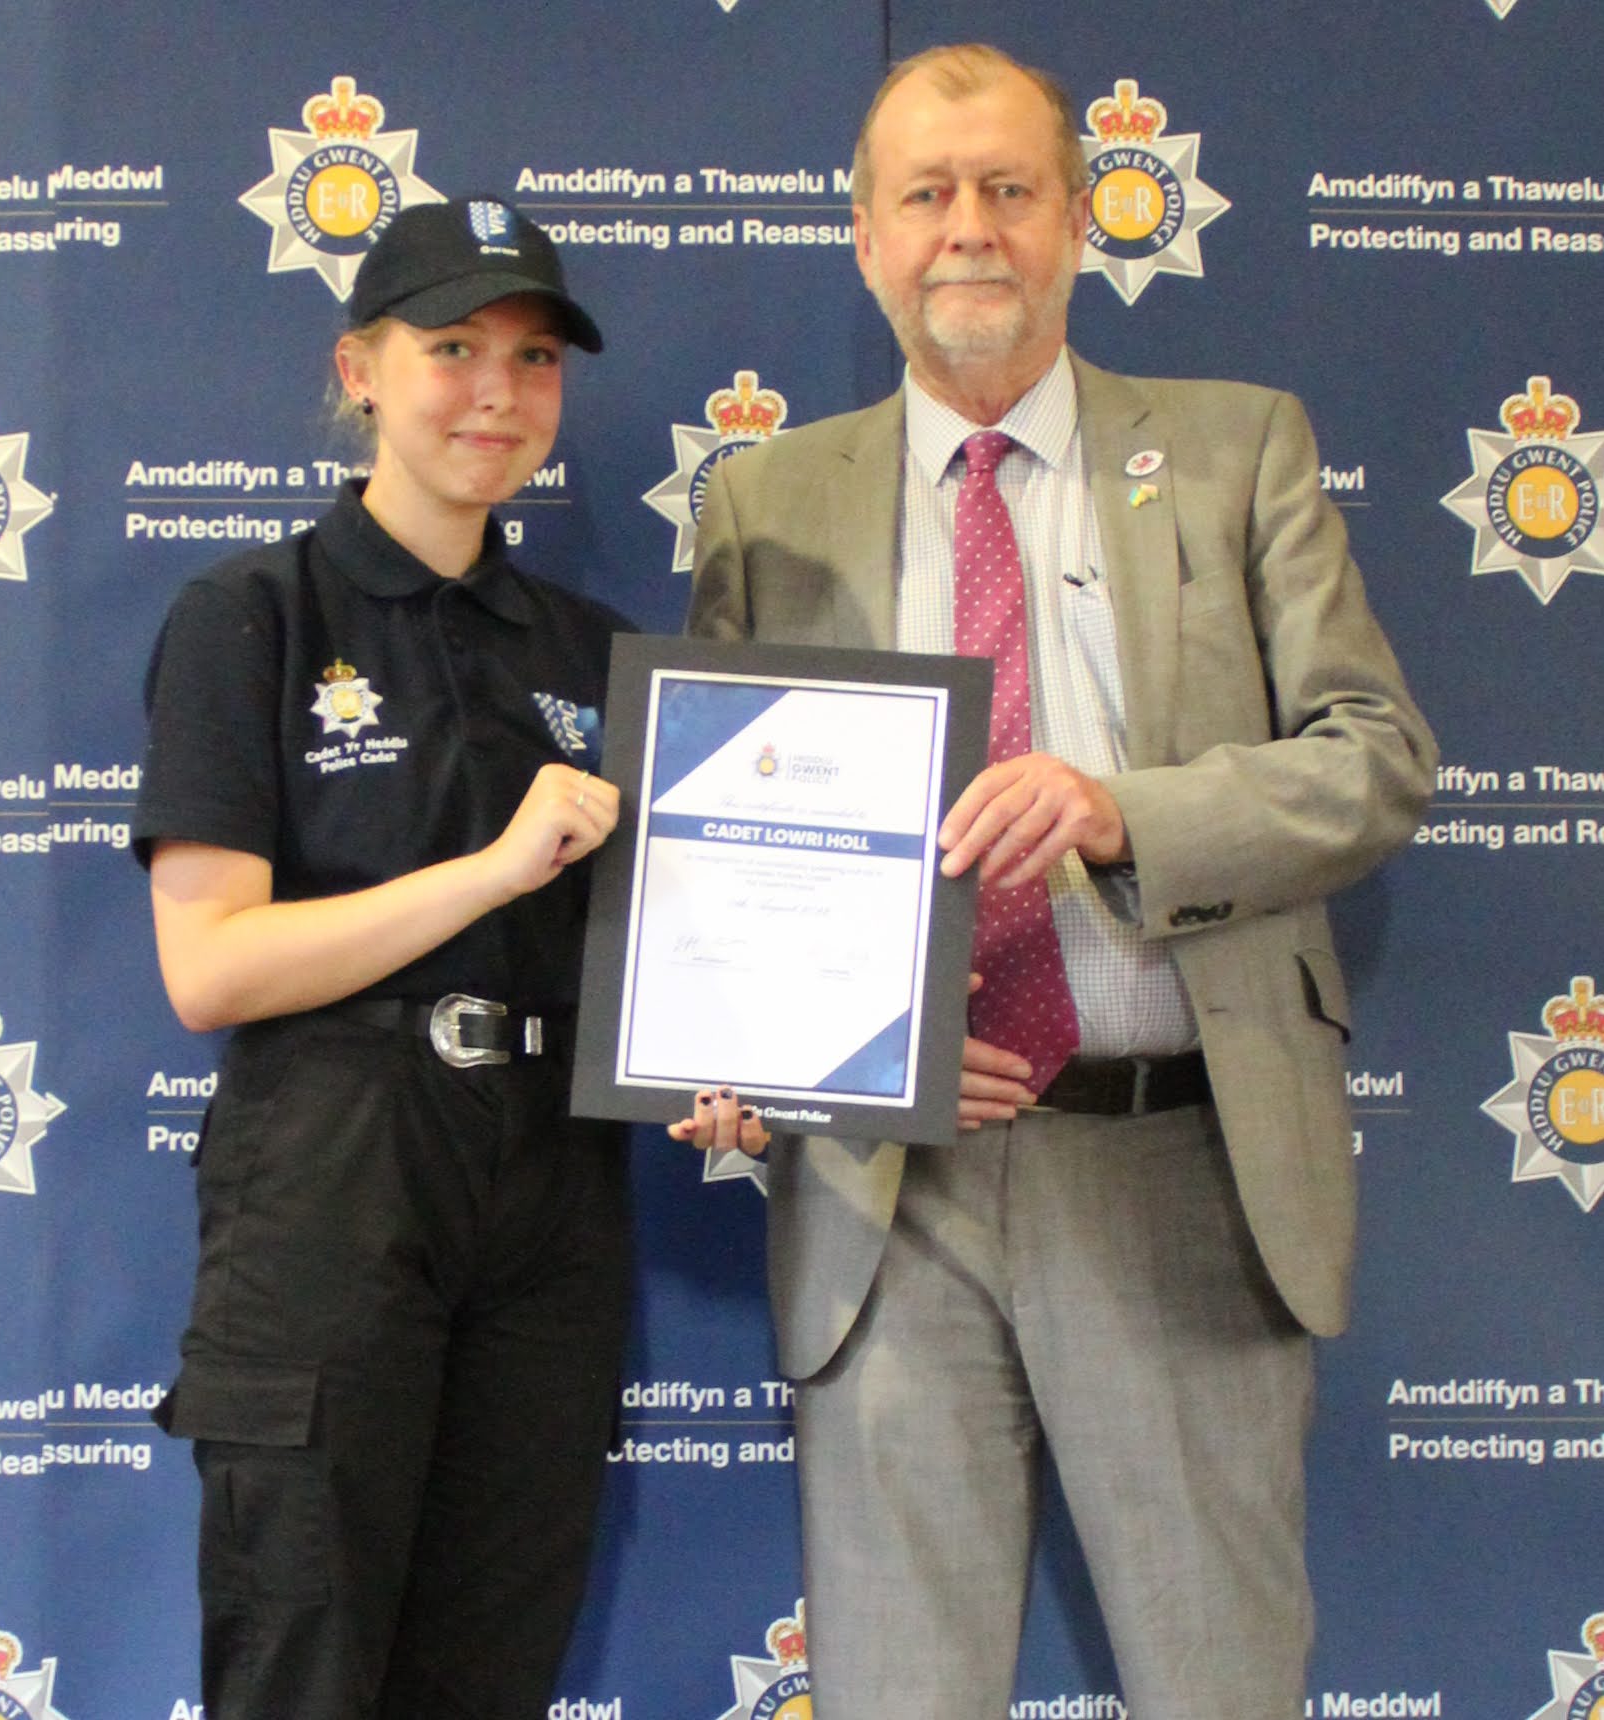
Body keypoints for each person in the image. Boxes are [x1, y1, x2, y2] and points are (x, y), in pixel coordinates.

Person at [675, 43, 1437, 1720]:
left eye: (1009, 189)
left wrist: (1121, 809)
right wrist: (794, 1060)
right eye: (926, 194)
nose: (970, 228)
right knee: (894, 1693)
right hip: (891, 1191)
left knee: (1217, 1684)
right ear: (864, 235)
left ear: (1079, 225)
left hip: (1177, 1163)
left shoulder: (1240, 452)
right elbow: (726, 858)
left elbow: (1375, 756)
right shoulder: (765, 497)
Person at [133, 197, 631, 1720]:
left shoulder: (595, 651)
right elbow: (209, 967)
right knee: (310, 1661)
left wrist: (727, 1067)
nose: (497, 391)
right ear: (359, 366)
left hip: (550, 1180)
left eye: (534, 356)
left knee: (492, 1667)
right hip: (338, 1172)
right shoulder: (252, 615)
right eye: (453, 347)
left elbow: (647, 949)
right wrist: (483, 873)